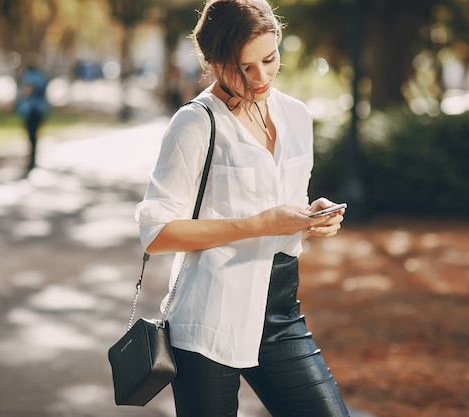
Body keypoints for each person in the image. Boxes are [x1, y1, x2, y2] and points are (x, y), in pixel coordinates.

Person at [135, 1, 351, 416]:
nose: (260, 77)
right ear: (214, 62)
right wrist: (257, 225)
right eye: (243, 67)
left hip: (281, 314)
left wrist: (311, 218)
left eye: (269, 60)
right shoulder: (196, 123)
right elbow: (157, 233)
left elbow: (279, 206)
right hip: (209, 322)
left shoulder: (296, 116)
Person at [15, 61, 49, 176]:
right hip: (40, 110)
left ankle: (32, 161)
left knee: (31, 136)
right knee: (34, 136)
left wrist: (19, 95)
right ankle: (33, 159)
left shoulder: (29, 76)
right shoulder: (41, 76)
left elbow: (28, 90)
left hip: (31, 110)